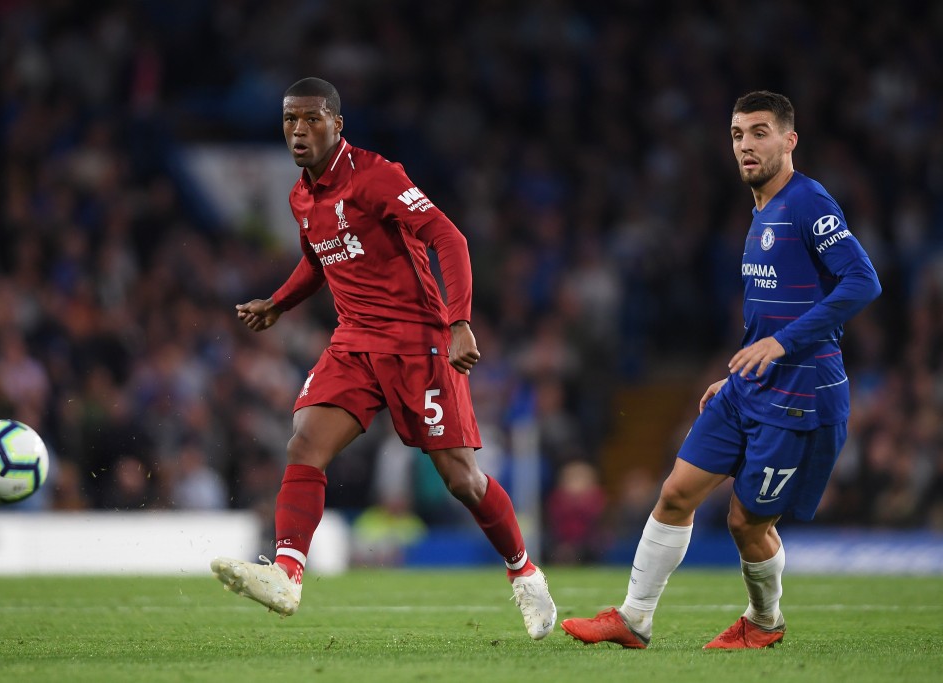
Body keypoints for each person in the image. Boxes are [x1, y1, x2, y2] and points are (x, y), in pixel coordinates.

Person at [210, 77, 556, 640]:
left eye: (312, 119)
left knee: (462, 480)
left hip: (418, 342)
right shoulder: (301, 195)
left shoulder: (377, 176)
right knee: (304, 442)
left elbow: (450, 238)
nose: (299, 130)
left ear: (336, 123)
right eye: (290, 120)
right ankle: (288, 572)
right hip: (353, 342)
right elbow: (319, 259)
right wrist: (277, 303)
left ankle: (525, 573)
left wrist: (459, 321)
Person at [561, 91, 881, 649]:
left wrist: (781, 343)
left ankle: (765, 622)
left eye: (760, 132)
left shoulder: (810, 203)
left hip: (800, 395)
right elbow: (773, 306)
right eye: (737, 134)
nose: (747, 145)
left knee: (746, 524)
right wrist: (740, 371)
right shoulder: (760, 209)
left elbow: (862, 281)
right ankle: (634, 619)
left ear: (789, 139)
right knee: (676, 493)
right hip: (749, 387)